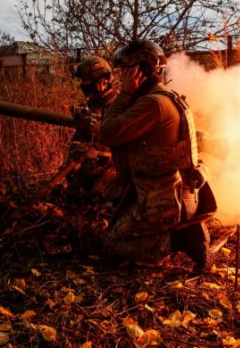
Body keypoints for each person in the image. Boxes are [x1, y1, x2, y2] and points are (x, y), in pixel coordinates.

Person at [97, 40, 217, 272]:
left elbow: (107, 133)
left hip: (162, 200)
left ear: (139, 71)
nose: (120, 78)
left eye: (124, 72)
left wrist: (124, 95)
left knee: (112, 246)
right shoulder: (163, 97)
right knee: (115, 227)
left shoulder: (153, 104)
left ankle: (181, 239)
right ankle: (181, 231)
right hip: (169, 193)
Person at [39, 57, 118, 199]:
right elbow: (81, 139)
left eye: (86, 81)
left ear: (102, 81)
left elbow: (120, 135)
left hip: (110, 168)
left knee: (97, 197)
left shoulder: (118, 105)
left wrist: (95, 127)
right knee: (71, 195)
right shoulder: (93, 104)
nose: (83, 84)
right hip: (89, 166)